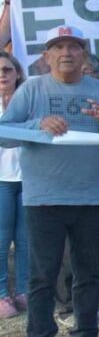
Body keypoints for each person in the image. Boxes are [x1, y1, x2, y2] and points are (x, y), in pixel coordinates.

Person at [1, 26, 99, 337]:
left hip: (92, 198)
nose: (66, 53)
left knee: (90, 273)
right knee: (43, 277)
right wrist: (37, 125)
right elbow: (3, 134)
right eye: (58, 47)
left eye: (73, 47)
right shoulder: (32, 89)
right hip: (44, 200)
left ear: (83, 54)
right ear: (46, 56)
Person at [0, 53, 27, 320]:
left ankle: (23, 290)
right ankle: (1, 294)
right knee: (1, 239)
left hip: (28, 178)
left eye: (7, 69)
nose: (2, 74)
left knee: (25, 239)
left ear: (17, 73)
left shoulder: (28, 100)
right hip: (1, 181)